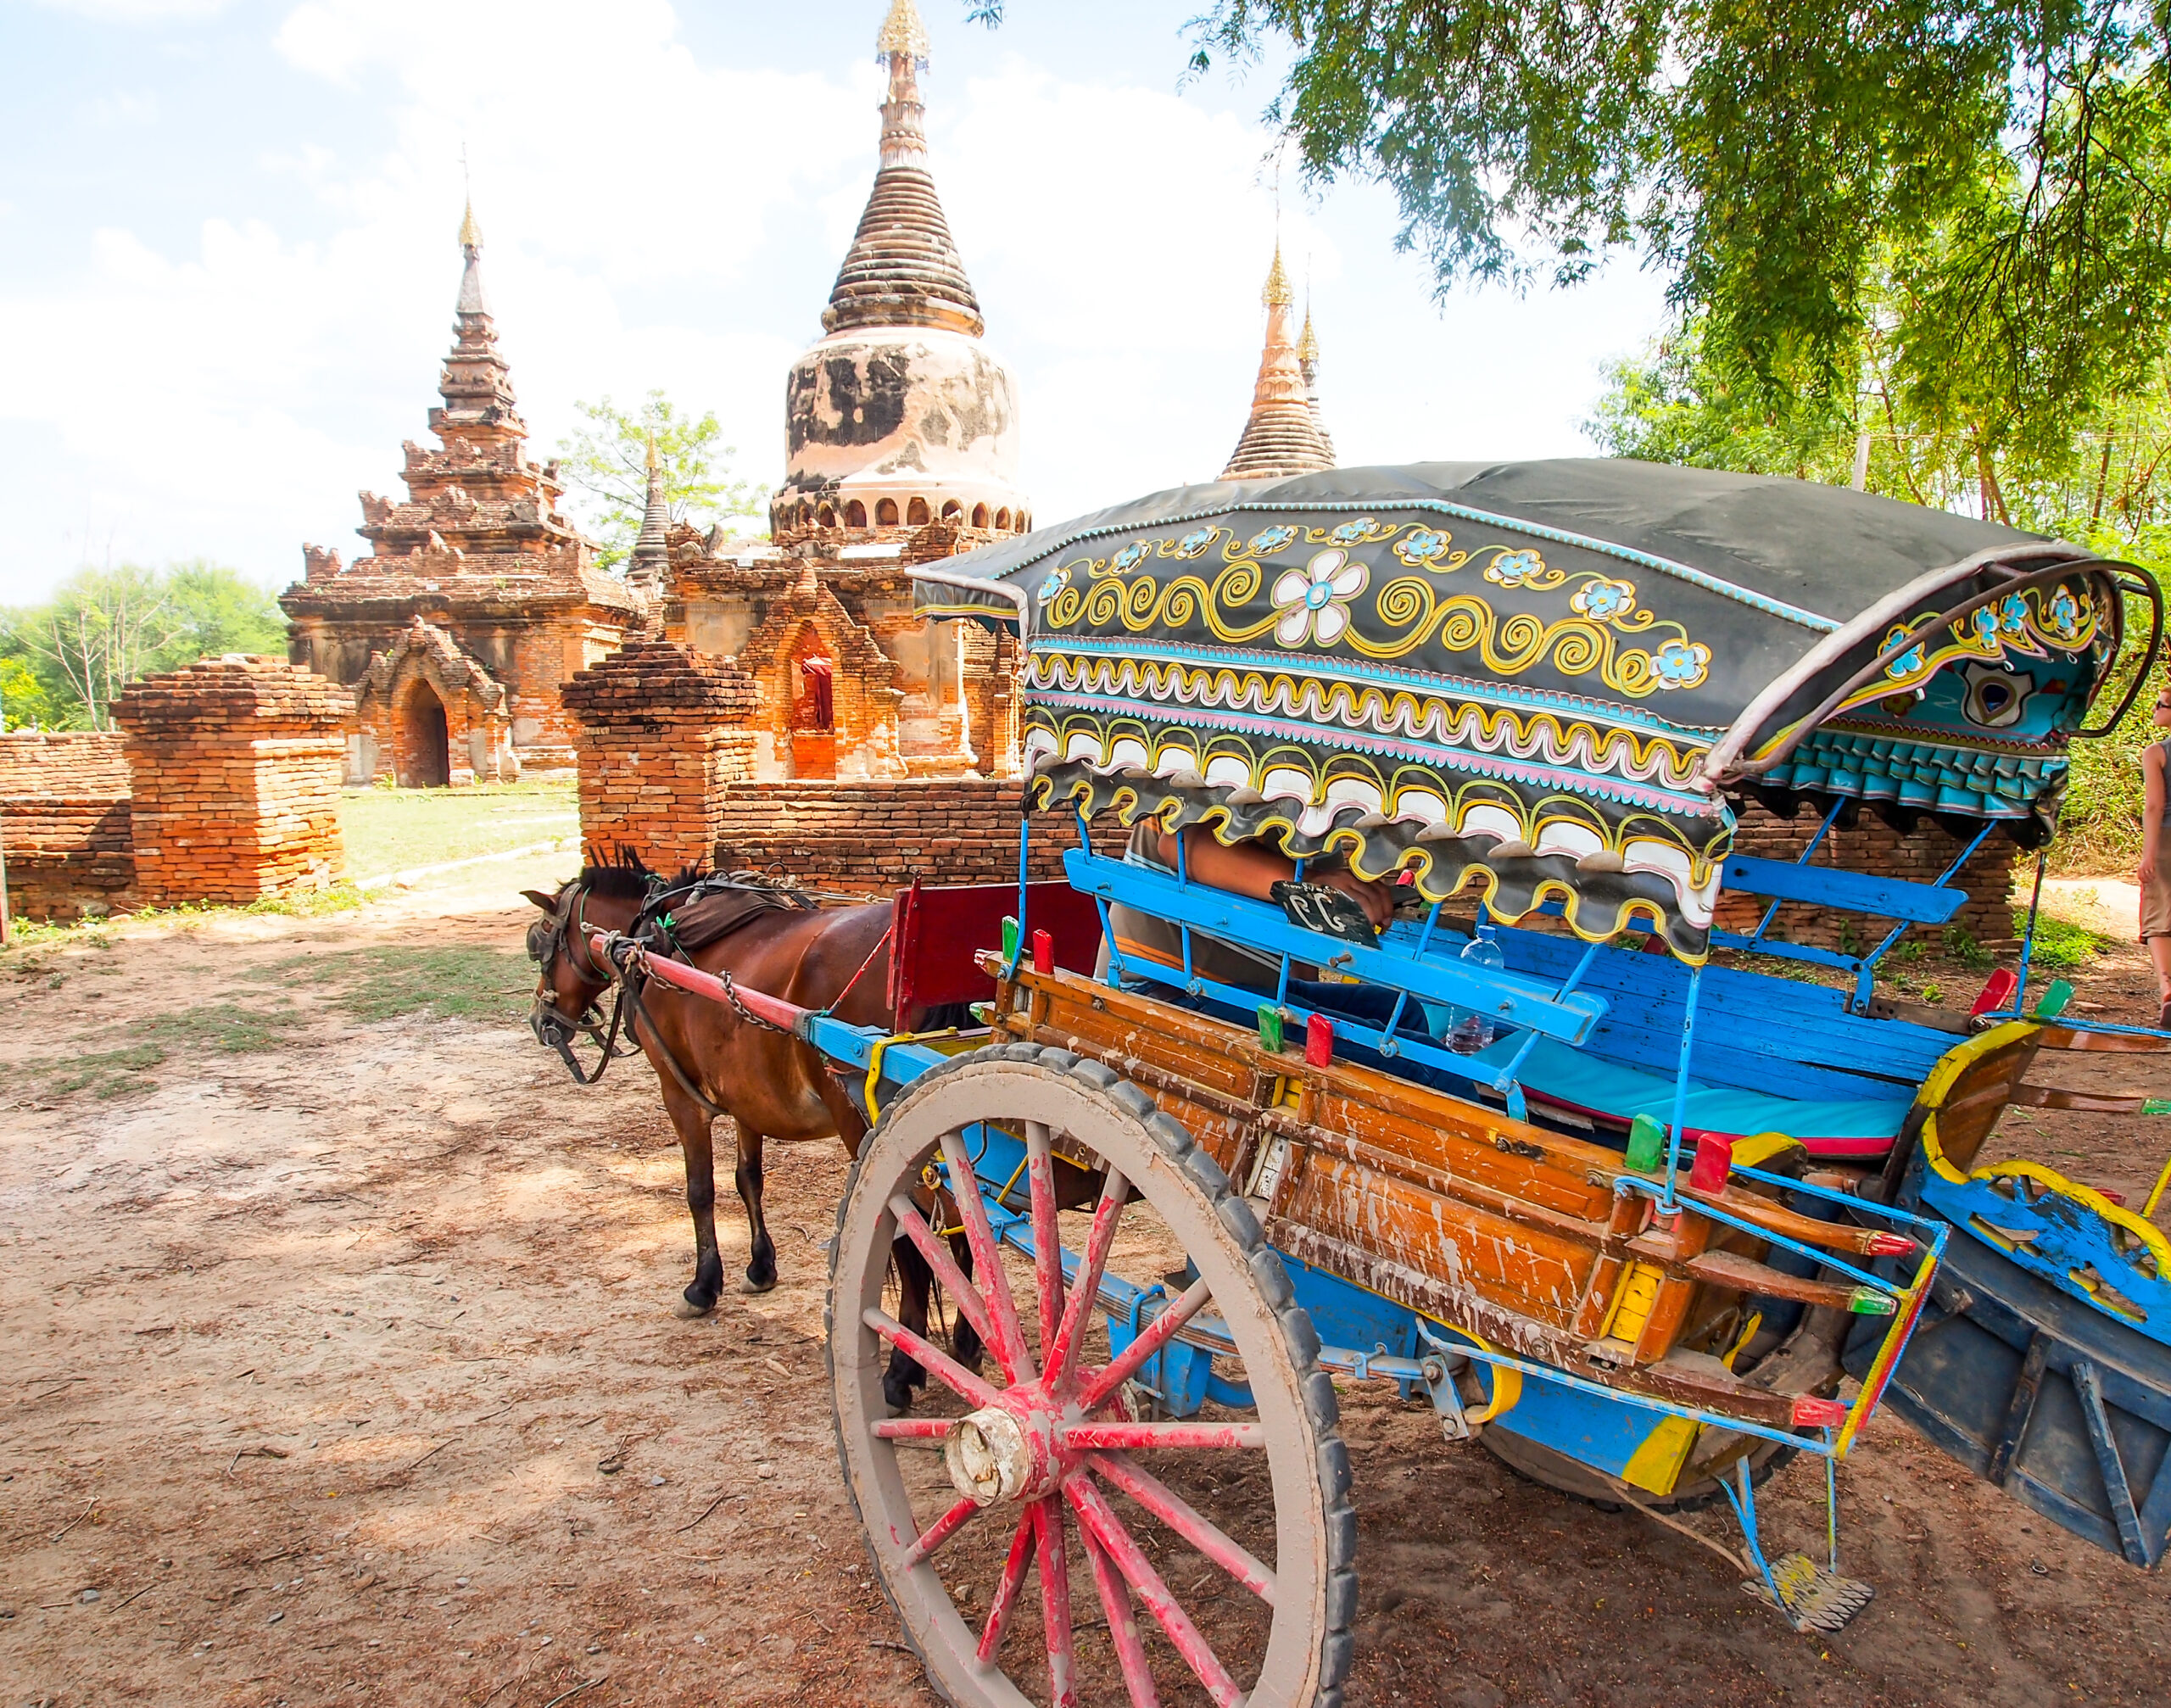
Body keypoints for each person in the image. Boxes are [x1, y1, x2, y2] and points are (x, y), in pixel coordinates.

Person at [1099, 820, 1432, 1047]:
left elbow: (1303, 961)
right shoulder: (1227, 764)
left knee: (1398, 1011)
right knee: (1423, 1066)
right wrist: (1309, 883)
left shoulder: (1313, 835)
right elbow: (1182, 844)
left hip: (1255, 994)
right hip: (1168, 993)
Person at [2140, 683, 2171, 1029]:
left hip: (2166, 839)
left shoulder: (2156, 752)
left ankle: (2167, 989)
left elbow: (2154, 806)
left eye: (2161, 704)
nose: (2155, 709)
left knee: (2160, 914)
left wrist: (2148, 855)